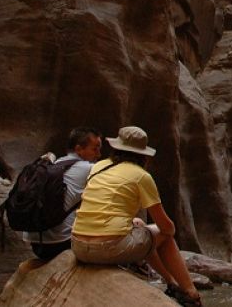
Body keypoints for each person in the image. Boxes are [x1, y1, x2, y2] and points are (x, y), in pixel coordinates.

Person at [71, 126, 202, 306]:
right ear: (143, 155)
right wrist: (170, 229)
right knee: (161, 234)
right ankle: (190, 291)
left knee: (140, 225)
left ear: (117, 148)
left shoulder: (99, 166)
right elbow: (166, 227)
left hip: (78, 245)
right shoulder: (141, 176)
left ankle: (171, 282)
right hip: (107, 248)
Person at [23, 127, 102, 261]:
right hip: (61, 244)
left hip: (36, 243)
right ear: (79, 149)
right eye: (95, 149)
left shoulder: (56, 164)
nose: (99, 154)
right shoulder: (89, 169)